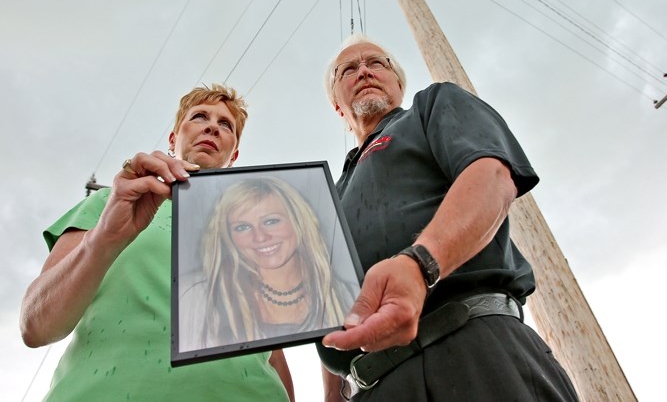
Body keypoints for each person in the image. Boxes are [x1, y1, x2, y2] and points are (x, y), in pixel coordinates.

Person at [317, 34, 580, 401]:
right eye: (348, 69)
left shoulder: (432, 106)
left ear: (397, 82)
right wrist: (333, 391)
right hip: (374, 386)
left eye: (377, 63)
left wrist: (420, 264)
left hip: (471, 346)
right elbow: (324, 295)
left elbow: (492, 177)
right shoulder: (327, 192)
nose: (364, 71)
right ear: (336, 104)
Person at [20, 84, 294, 401]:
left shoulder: (255, 231)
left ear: (233, 155)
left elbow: (272, 351)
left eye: (225, 125)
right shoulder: (112, 204)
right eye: (200, 116)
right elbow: (36, 326)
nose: (211, 127)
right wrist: (105, 237)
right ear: (173, 139)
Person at [179, 176, 357, 351]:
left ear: (299, 221)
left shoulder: (348, 296)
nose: (260, 237)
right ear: (228, 237)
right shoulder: (199, 296)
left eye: (271, 221)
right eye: (242, 227)